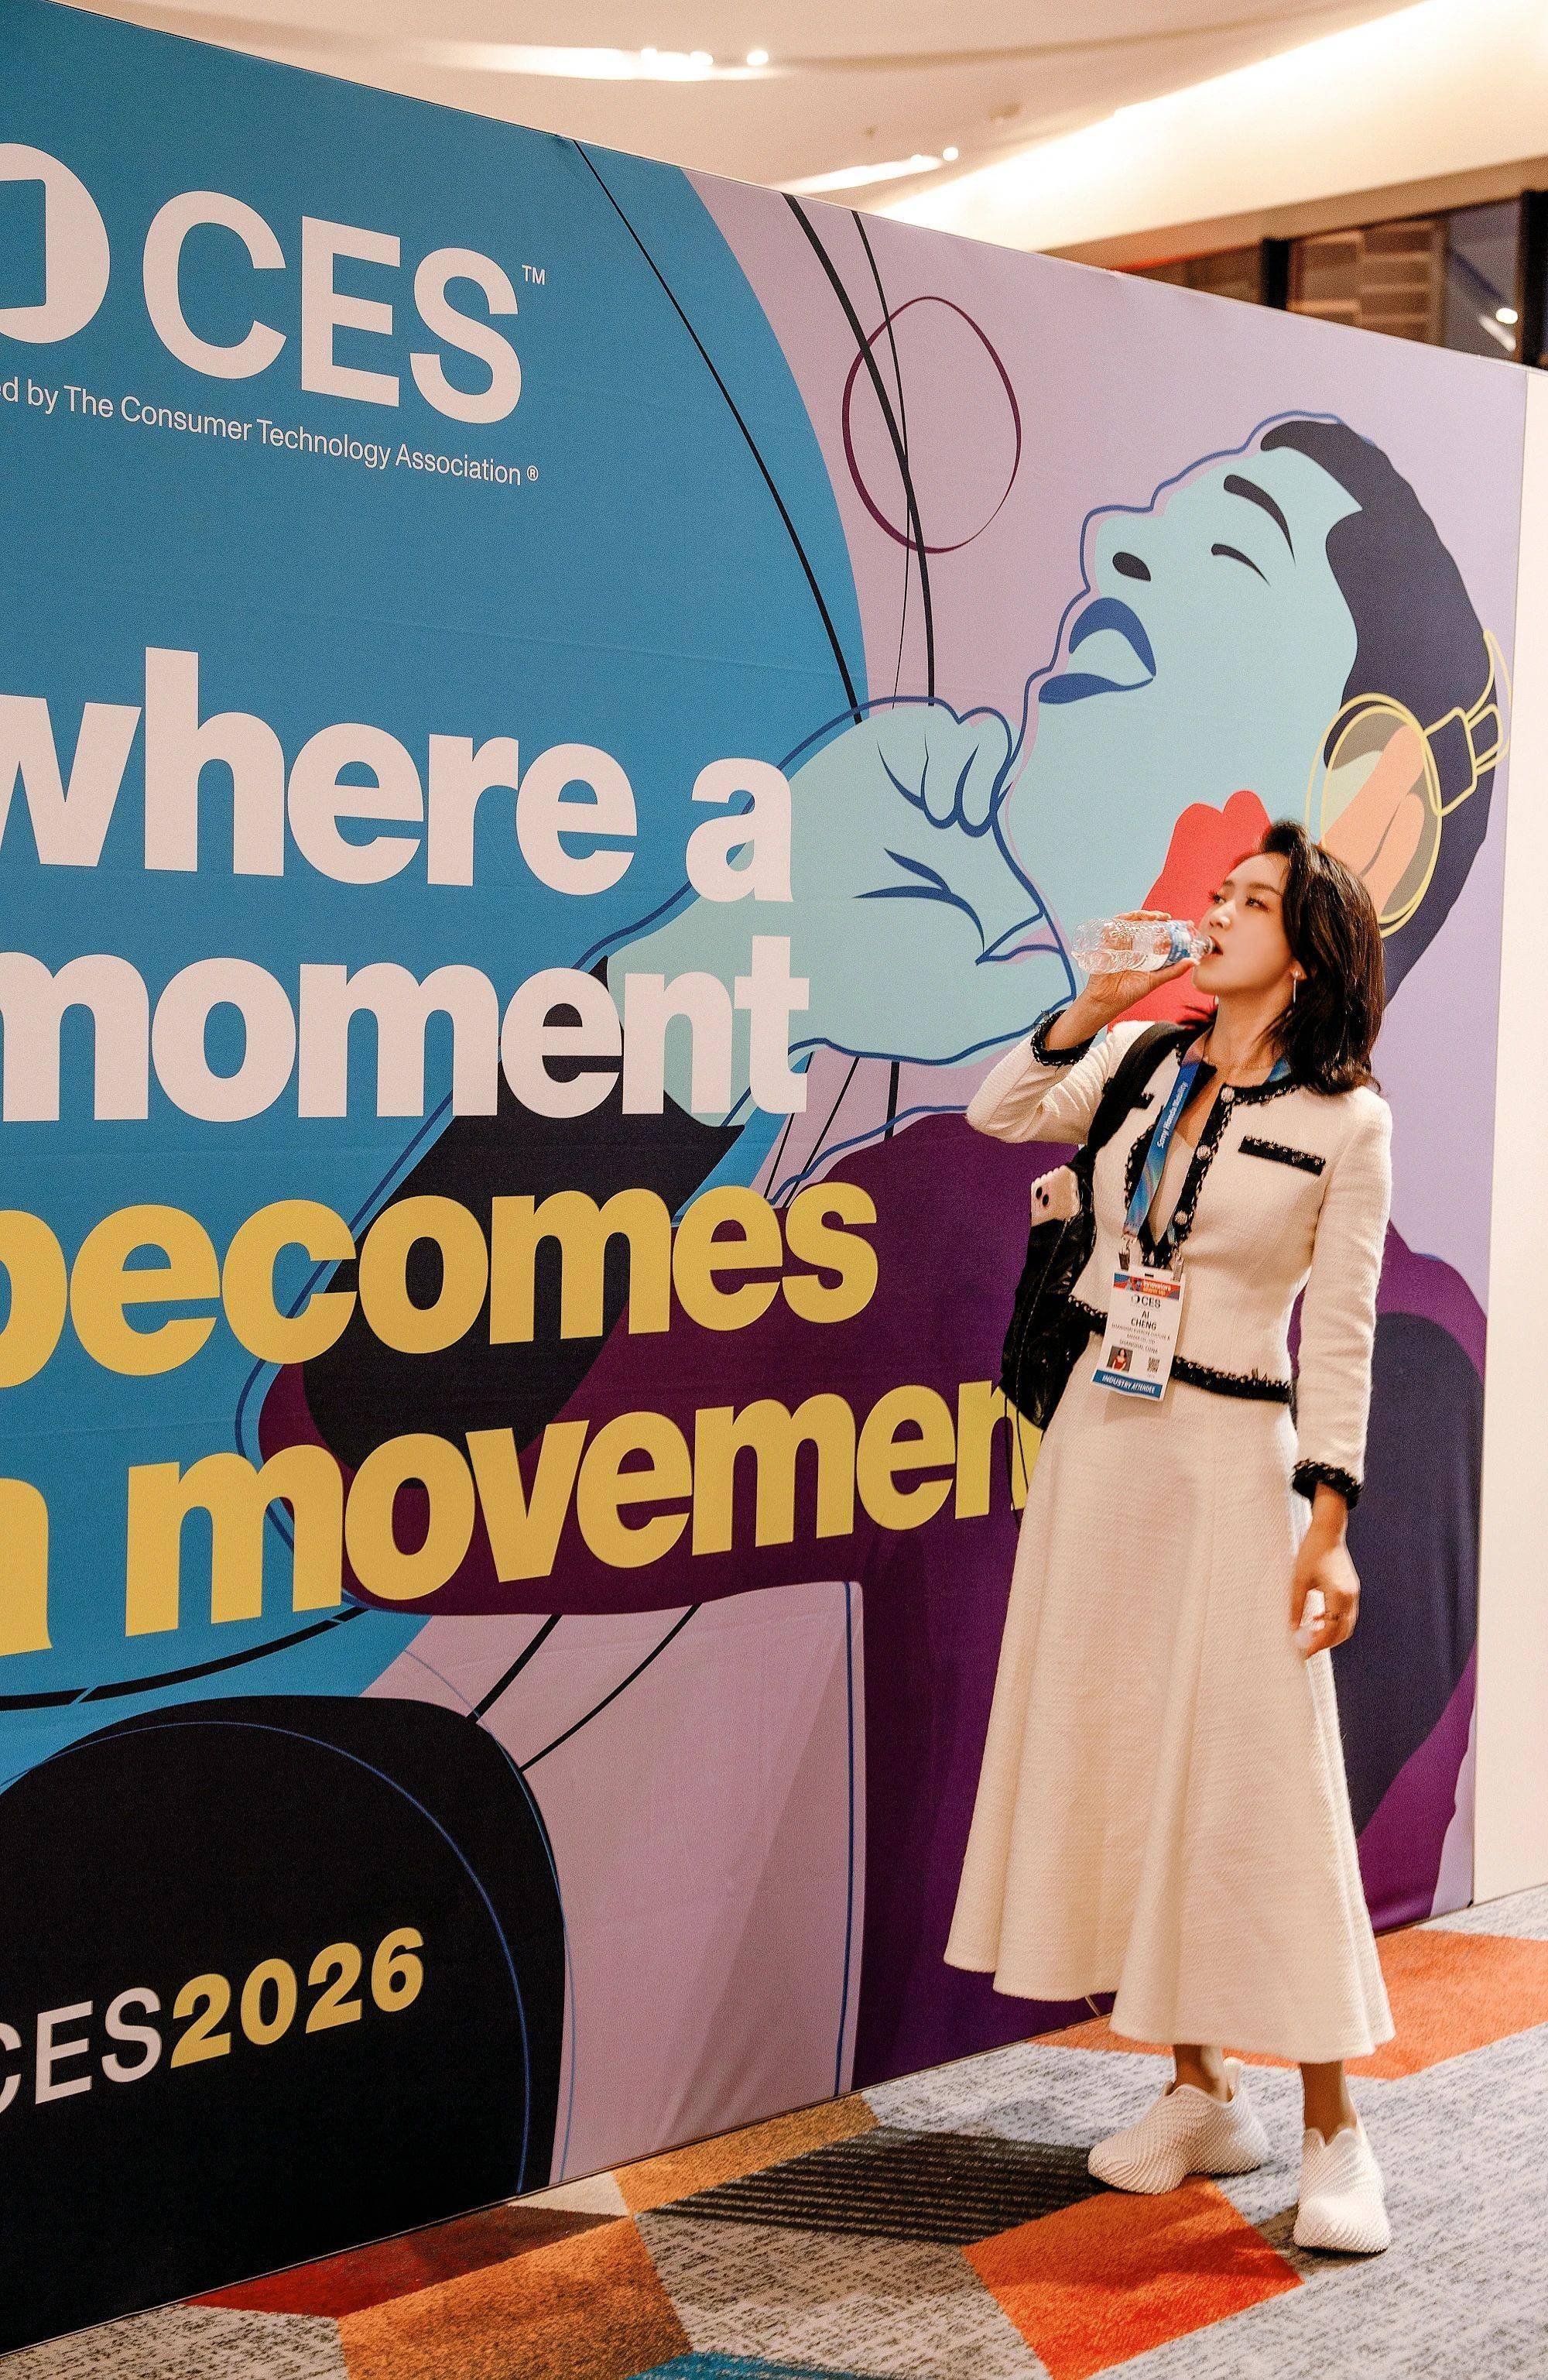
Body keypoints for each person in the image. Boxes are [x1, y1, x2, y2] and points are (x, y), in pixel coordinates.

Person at [946, 818, 1396, 2256]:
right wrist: (1093, 1004)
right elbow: (1001, 1110)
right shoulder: (1144, 1062)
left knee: (1261, 1775)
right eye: (1218, 891)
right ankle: (1201, 2089)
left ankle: (1333, 2125)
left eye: (1252, 900)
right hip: (1102, 1437)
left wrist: (1330, 1522)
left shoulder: (1349, 1121)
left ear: (1307, 950)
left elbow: (1344, 1335)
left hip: (1234, 1457)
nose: (1217, 911)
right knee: (1132, 1748)